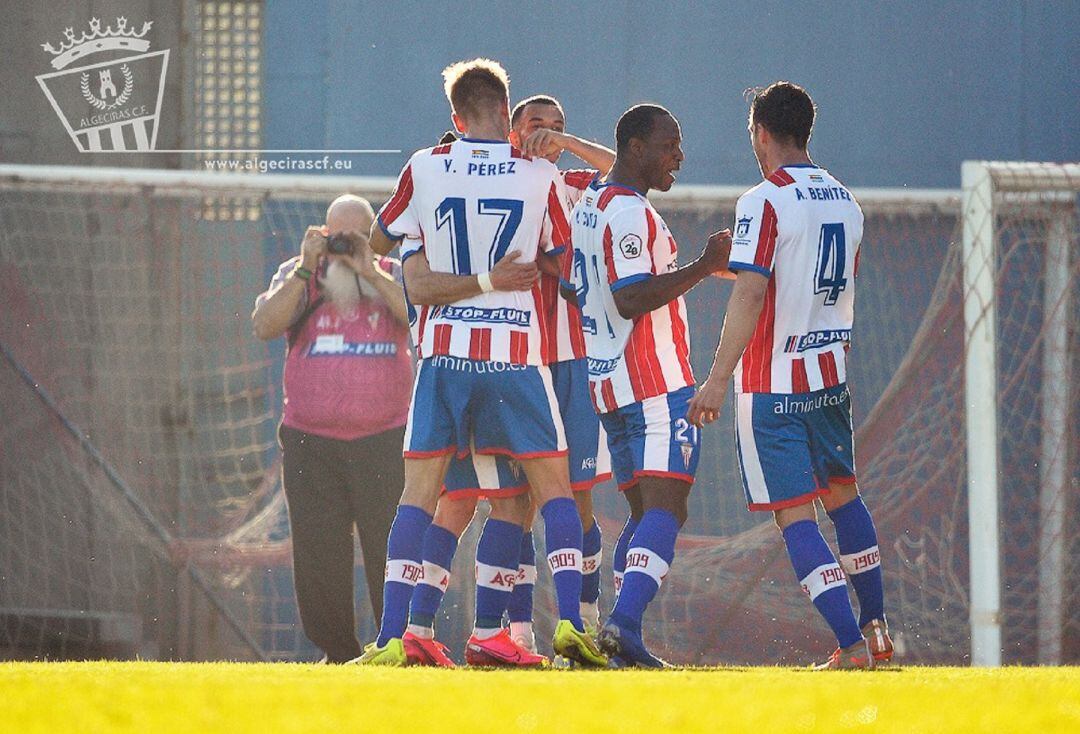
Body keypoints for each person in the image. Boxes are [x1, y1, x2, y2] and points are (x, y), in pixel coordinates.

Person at [357, 58, 606, 668]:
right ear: (506, 110)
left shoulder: (424, 166)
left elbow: (379, 243)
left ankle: (393, 636)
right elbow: (560, 258)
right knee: (553, 490)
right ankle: (571, 624)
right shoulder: (539, 175)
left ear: (455, 116)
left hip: (444, 360)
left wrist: (427, 243)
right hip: (517, 356)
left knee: (421, 496)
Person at [686, 81, 892, 669]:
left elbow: (753, 291)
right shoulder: (846, 201)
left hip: (772, 387)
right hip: (827, 380)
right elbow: (807, 281)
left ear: (761, 133)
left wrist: (718, 378)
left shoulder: (764, 200)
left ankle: (849, 648)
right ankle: (875, 631)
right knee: (845, 499)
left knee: (795, 515)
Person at [569, 104, 732, 667]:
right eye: (669, 145)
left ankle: (621, 638)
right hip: (654, 384)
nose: (678, 156)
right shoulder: (628, 213)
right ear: (635, 149)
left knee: (643, 514)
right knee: (667, 509)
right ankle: (624, 625)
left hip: (610, 387)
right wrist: (705, 265)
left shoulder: (591, 204)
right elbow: (630, 296)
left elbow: (578, 291)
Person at [251, 194, 411, 663]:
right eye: (334, 236)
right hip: (309, 439)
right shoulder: (298, 274)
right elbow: (264, 324)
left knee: (391, 545)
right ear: (320, 233)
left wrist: (371, 272)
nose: (342, 246)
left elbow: (417, 319)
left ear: (372, 236)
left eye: (354, 236)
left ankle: (395, 643)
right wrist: (306, 267)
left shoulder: (393, 273)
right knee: (319, 550)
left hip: (385, 438)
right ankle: (336, 650)